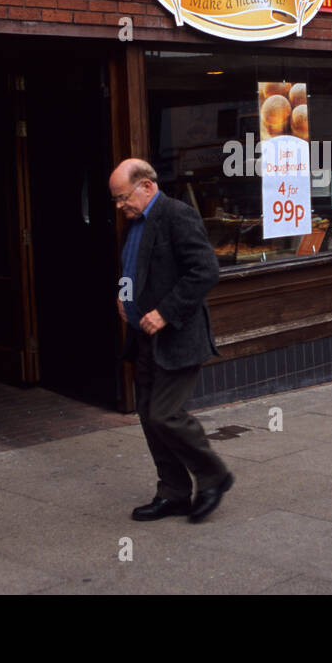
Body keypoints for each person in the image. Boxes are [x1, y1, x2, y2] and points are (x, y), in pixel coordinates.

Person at [109, 158, 234, 523]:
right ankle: (174, 493)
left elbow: (206, 270)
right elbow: (133, 268)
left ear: (146, 186)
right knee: (149, 417)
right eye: (115, 201)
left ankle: (215, 476)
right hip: (143, 338)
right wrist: (124, 293)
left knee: (165, 414)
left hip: (177, 336)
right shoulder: (133, 224)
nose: (120, 207)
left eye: (123, 198)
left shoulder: (176, 215)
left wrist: (165, 312)